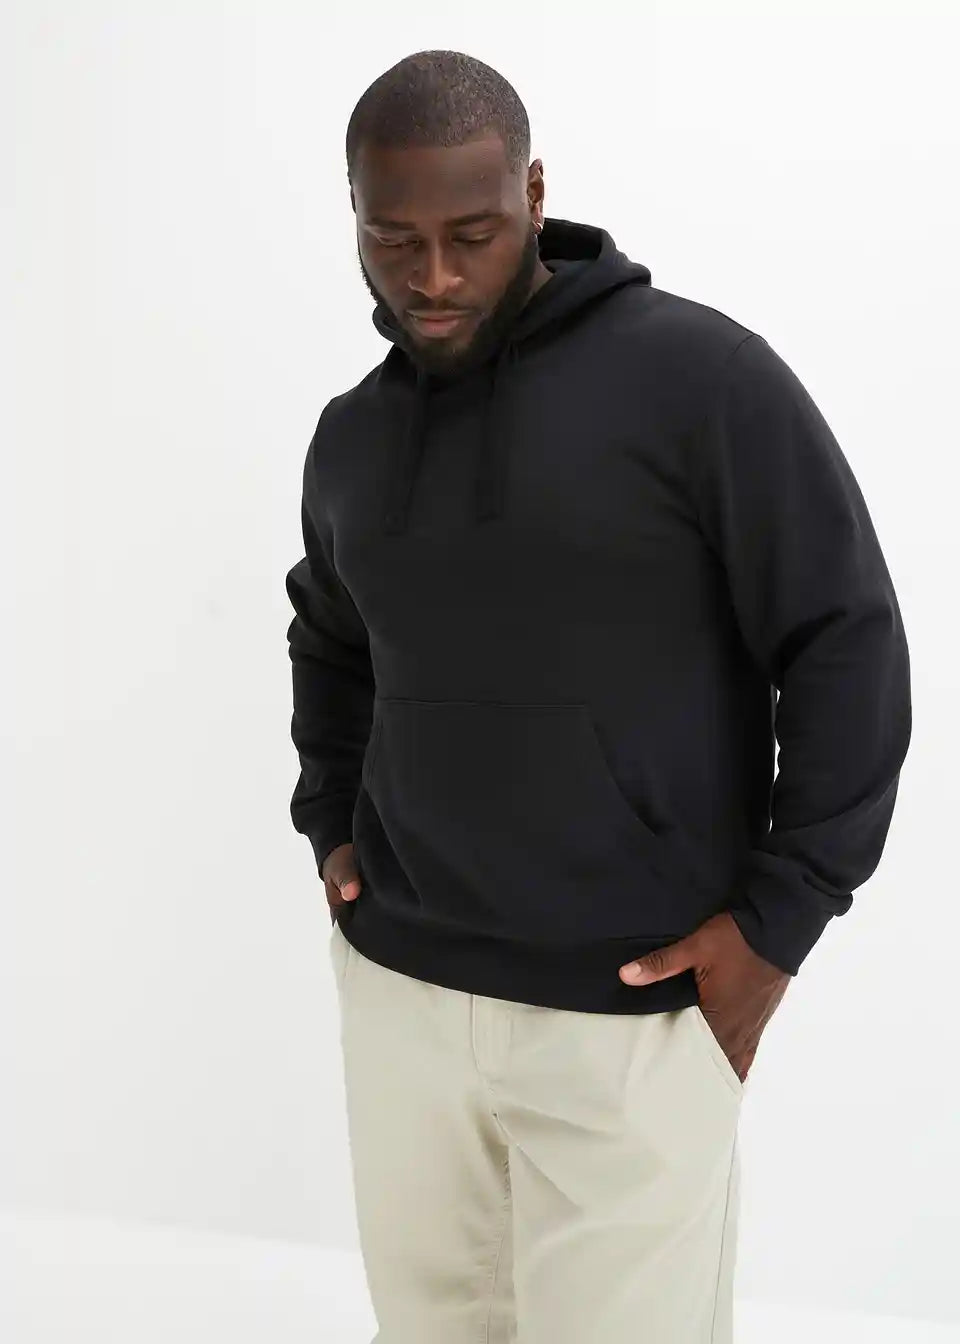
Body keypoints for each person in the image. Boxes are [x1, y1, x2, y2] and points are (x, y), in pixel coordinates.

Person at [284, 48, 911, 1344]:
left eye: (472, 235)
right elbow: (331, 638)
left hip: (629, 1007)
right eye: (395, 240)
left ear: (534, 194)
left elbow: (844, 636)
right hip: (403, 995)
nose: (434, 276)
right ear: (355, 214)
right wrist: (333, 818)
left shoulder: (698, 382)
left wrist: (782, 917)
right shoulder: (354, 433)